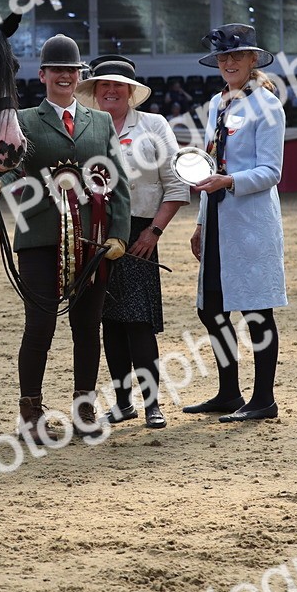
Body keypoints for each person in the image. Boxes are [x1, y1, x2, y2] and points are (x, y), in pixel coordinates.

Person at [0, 35, 131, 443]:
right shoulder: (24, 121)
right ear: (43, 75)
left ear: (79, 76)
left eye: (72, 71)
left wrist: (118, 234)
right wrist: (0, 181)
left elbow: (117, 182)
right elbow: (14, 166)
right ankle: (30, 411)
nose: (65, 76)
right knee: (40, 326)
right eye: (57, 70)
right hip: (40, 235)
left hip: (92, 239)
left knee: (87, 328)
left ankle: (85, 410)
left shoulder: (99, 123)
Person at [76, 56, 190, 428]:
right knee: (108, 321)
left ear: (130, 92)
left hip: (141, 231)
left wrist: (153, 232)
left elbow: (176, 183)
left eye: (118, 86)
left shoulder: (154, 125)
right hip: (94, 234)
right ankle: (123, 402)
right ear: (94, 91)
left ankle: (152, 402)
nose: (110, 91)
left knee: (138, 323)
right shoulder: (84, 124)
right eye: (103, 85)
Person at [184, 23, 287, 422]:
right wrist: (198, 221)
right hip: (216, 218)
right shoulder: (217, 103)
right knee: (211, 308)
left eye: (236, 56)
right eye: (223, 57)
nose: (228, 62)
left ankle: (263, 399)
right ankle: (229, 392)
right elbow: (211, 162)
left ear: (252, 60)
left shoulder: (267, 105)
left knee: (257, 308)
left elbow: (271, 171)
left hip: (250, 220)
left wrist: (231, 181)